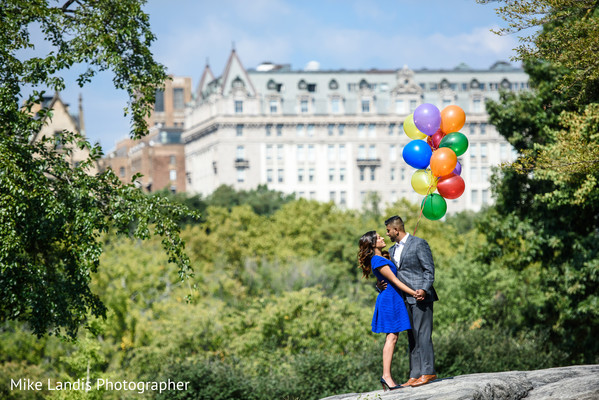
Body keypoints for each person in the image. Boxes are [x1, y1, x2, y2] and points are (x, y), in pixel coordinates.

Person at [381, 215, 439, 388]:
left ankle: (428, 372)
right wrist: (380, 285)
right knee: (412, 337)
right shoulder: (391, 251)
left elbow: (429, 270)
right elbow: (392, 276)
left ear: (396, 229)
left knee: (423, 334)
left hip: (421, 297)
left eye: (388, 230)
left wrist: (424, 289)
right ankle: (415, 374)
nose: (387, 233)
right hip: (403, 299)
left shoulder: (419, 243)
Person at [358, 230, 418, 391]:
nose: (382, 238)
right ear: (372, 244)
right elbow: (395, 281)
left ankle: (387, 376)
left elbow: (385, 281)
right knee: (391, 338)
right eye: (378, 238)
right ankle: (386, 376)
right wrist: (414, 292)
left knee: (393, 338)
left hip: (393, 299)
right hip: (390, 301)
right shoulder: (377, 260)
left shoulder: (382, 257)